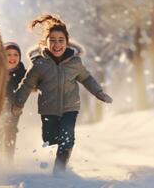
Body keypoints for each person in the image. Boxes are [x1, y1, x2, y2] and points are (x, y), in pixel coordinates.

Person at [12, 15, 112, 176]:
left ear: (67, 42)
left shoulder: (75, 63)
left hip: (70, 108)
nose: (57, 44)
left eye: (60, 40)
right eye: (52, 40)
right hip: (48, 109)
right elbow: (27, 84)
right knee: (49, 138)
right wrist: (18, 103)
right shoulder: (39, 63)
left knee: (67, 138)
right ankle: (55, 147)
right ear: (46, 42)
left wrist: (99, 92)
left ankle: (59, 170)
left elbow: (86, 78)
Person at [0, 42, 26, 163]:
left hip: (14, 107)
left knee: (10, 130)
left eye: (15, 55)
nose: (12, 58)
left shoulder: (22, 72)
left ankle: (8, 160)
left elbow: (30, 85)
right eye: (8, 54)